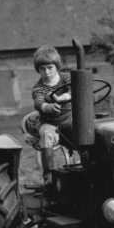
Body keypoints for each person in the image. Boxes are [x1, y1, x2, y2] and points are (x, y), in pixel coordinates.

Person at [31, 46, 72, 187]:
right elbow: (38, 103)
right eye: (42, 68)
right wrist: (47, 107)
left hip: (69, 121)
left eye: (50, 67)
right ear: (38, 69)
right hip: (49, 124)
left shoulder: (66, 78)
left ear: (57, 66)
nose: (47, 72)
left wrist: (61, 98)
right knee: (46, 136)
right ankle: (49, 179)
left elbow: (75, 90)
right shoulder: (38, 87)